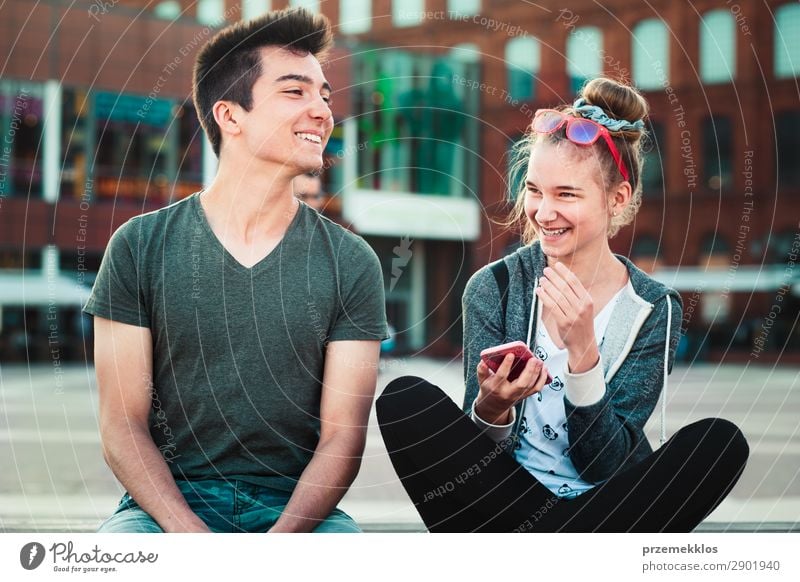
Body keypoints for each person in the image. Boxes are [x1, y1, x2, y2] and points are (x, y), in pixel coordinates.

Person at [377, 78, 749, 532]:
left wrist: (584, 355)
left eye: (566, 194)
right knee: (405, 402)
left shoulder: (653, 308)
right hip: (504, 497)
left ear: (618, 198)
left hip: (601, 503)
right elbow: (474, 456)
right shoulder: (493, 286)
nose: (543, 212)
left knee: (718, 445)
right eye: (535, 190)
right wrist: (491, 409)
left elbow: (604, 465)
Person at [84, 8, 387, 533]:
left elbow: (343, 437)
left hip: (299, 513)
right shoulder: (138, 246)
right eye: (295, 92)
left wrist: (275, 548)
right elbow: (122, 426)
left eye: (325, 94)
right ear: (230, 116)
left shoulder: (351, 262)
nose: (321, 110)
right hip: (162, 509)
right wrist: (191, 537)